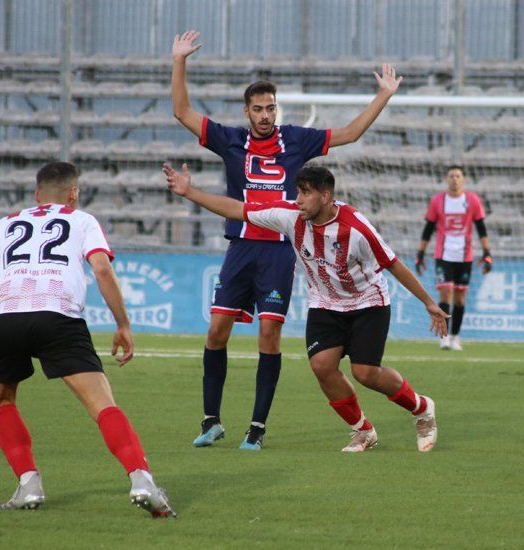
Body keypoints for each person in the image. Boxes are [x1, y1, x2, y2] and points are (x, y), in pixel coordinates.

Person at [171, 30, 403, 450]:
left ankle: (257, 428)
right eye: (258, 108)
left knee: (268, 337)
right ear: (247, 111)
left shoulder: (296, 139)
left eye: (270, 107)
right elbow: (182, 111)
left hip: (280, 251)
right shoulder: (231, 140)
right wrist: (179, 61)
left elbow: (350, 134)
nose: (265, 114)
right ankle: (211, 421)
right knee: (216, 331)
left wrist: (384, 95)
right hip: (240, 247)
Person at [164, 163, 448, 452]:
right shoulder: (289, 216)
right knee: (322, 366)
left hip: (367, 303)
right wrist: (189, 192)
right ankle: (362, 430)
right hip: (325, 303)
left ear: (325, 196)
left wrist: (428, 303)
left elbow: (393, 264)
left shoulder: (356, 227)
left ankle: (422, 408)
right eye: (298, 192)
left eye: (306, 193)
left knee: (365, 373)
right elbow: (237, 209)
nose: (298, 199)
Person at [0, 162, 176, 517]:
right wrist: (123, 324)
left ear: (37, 194)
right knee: (102, 404)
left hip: (5, 317)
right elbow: (101, 268)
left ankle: (28, 484)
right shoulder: (81, 220)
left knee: (2, 402)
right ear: (73, 194)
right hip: (58, 315)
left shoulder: (6, 224)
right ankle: (141, 478)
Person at [414, 165, 492, 351]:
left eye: (458, 176)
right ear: (446, 179)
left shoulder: (472, 200)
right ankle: (444, 336)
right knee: (445, 293)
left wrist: (487, 252)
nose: (454, 179)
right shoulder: (437, 201)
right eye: (451, 176)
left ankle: (456, 336)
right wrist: (420, 253)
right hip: (443, 255)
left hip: (465, 257)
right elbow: (429, 228)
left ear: (463, 179)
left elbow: (481, 227)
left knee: (459, 299)